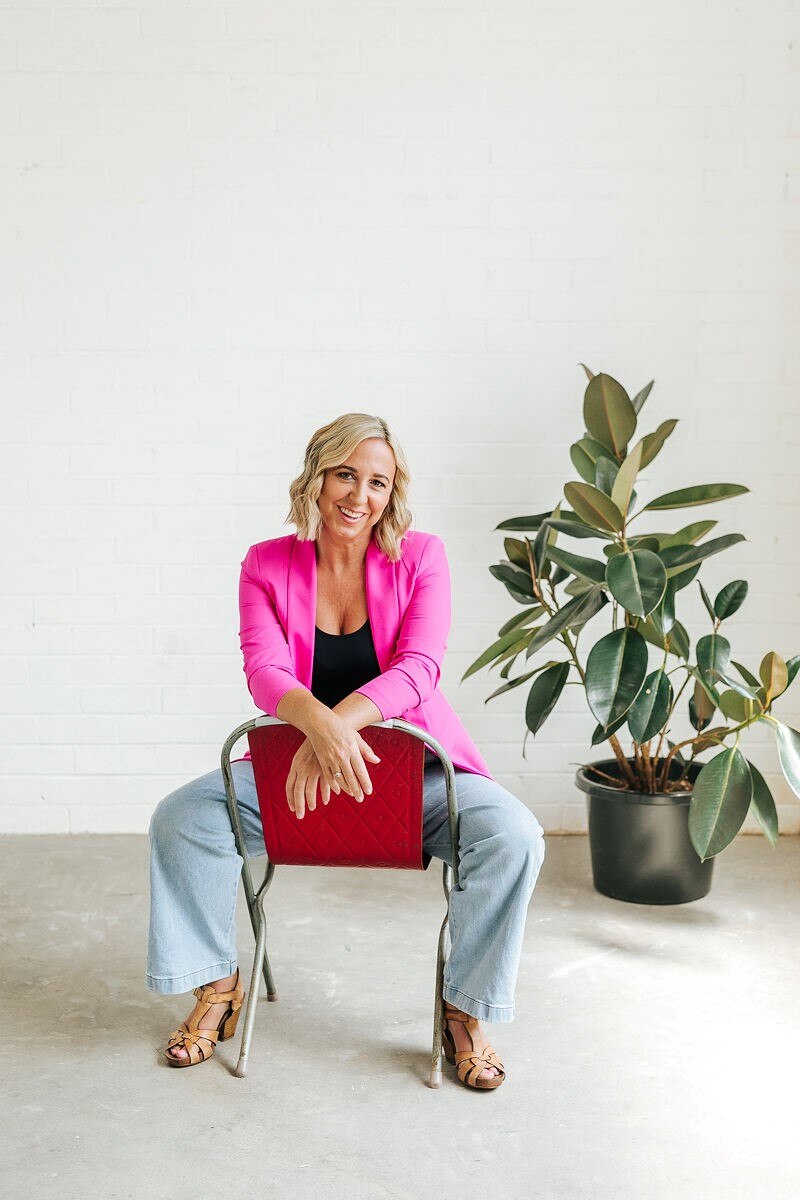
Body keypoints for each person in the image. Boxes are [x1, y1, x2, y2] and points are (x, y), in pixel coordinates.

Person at [147, 413, 546, 1090]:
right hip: (298, 780)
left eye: (378, 482)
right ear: (315, 476)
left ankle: (466, 1012)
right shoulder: (266, 564)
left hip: (414, 778)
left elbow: (421, 667)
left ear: (393, 493)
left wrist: (333, 728)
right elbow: (264, 671)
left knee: (515, 836)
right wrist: (319, 730)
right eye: (345, 475)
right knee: (182, 819)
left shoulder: (422, 556)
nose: (360, 496)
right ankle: (217, 987)